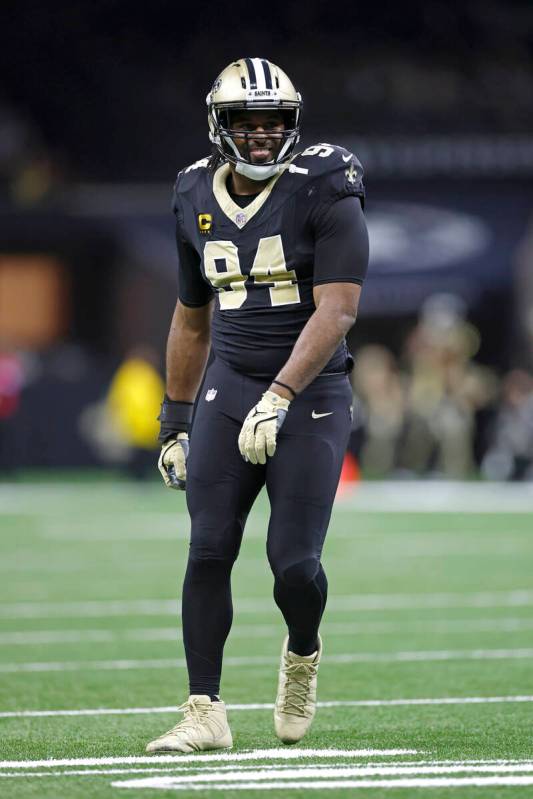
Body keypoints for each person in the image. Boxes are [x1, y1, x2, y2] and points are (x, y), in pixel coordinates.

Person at [147, 57, 369, 754]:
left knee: (292, 563)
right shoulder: (191, 191)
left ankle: (301, 652)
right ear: (222, 125)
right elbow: (190, 317)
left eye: (274, 119)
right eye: (249, 120)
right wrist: (174, 422)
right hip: (230, 382)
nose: (264, 132)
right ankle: (203, 708)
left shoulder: (326, 182)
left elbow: (337, 310)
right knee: (208, 545)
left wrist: (280, 395)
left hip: (310, 393)